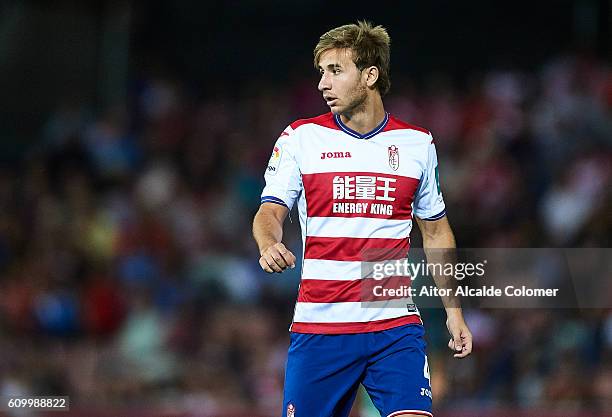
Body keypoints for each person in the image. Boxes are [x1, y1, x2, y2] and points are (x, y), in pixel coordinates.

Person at [252, 21, 472, 417]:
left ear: (370, 75)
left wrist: (454, 311)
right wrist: (269, 243)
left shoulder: (417, 144)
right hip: (321, 328)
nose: (322, 83)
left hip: (394, 326)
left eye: (335, 70)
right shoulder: (300, 137)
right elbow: (269, 211)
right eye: (321, 71)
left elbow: (436, 231)